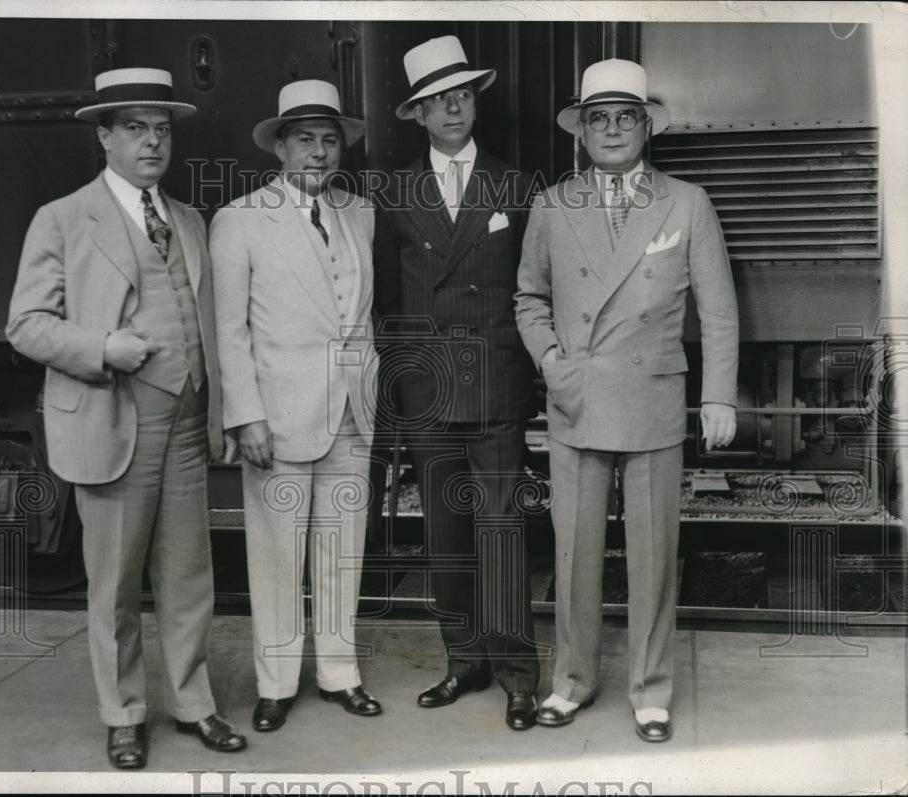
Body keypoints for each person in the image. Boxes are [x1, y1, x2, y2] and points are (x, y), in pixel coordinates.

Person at [6, 68, 245, 769]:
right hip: (113, 415)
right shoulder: (61, 217)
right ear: (104, 137)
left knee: (189, 573)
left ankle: (195, 702)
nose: (152, 141)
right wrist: (102, 347)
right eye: (135, 128)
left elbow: (206, 322)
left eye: (162, 129)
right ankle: (123, 712)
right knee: (113, 580)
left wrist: (219, 409)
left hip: (186, 417)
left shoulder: (190, 219)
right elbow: (25, 323)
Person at [515, 58, 739, 742]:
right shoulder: (553, 204)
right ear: (581, 132)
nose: (612, 130)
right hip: (578, 400)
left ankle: (651, 688)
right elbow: (529, 298)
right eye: (598, 119)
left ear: (647, 128)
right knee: (574, 556)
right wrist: (554, 363)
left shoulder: (687, 202)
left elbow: (720, 311)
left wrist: (719, 397)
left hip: (653, 400)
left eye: (625, 117)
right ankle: (572, 681)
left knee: (653, 556)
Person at [373, 35, 541, 731]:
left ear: (475, 101)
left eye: (461, 95)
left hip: (497, 388)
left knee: (502, 532)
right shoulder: (392, 193)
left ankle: (518, 673)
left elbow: (534, 289)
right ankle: (462, 659)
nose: (452, 109)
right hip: (431, 393)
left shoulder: (516, 185)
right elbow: (386, 301)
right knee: (446, 535)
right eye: (436, 100)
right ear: (416, 114)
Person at [209, 79, 381, 734]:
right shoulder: (241, 219)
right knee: (277, 554)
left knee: (342, 549)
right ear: (280, 146)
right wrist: (244, 414)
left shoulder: (358, 213)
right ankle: (277, 682)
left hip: (349, 411)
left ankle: (340, 673)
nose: (318, 152)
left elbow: (361, 320)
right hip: (275, 417)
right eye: (304, 139)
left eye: (329, 140)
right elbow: (230, 329)